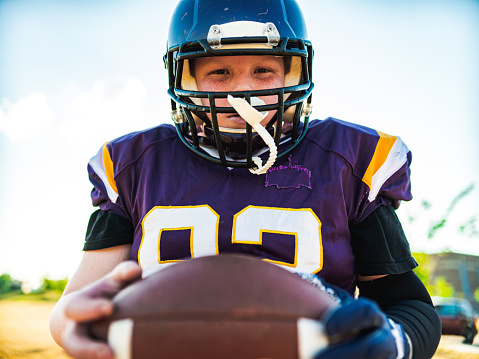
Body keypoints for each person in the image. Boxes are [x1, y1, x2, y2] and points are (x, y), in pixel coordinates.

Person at [50, 0, 441, 358]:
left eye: (263, 71)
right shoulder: (133, 165)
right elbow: (74, 305)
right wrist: (74, 324)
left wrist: (394, 342)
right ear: (185, 78)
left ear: (293, 71)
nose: (243, 92)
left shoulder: (348, 160)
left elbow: (408, 303)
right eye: (219, 72)